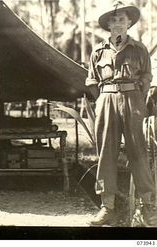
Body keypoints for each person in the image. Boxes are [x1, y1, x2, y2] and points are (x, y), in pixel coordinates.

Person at [85, 1, 157, 226]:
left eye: (121, 19)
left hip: (133, 100)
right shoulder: (98, 51)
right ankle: (108, 208)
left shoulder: (139, 49)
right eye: (113, 20)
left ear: (129, 23)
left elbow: (146, 77)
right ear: (107, 24)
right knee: (106, 153)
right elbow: (92, 81)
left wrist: (135, 98)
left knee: (139, 153)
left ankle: (147, 207)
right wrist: (105, 100)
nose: (117, 24)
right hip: (106, 100)